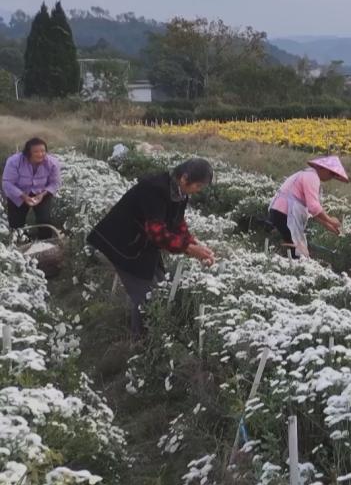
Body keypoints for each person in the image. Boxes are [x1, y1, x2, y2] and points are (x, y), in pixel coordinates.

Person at [88, 158, 217, 339]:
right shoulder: (154, 189)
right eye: (198, 186)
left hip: (143, 243)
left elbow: (177, 223)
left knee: (160, 285)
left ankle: (151, 333)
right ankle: (140, 341)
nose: (198, 191)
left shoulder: (179, 192)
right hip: (124, 243)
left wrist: (193, 243)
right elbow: (157, 232)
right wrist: (188, 248)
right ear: (184, 178)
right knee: (145, 296)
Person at [269, 156, 347, 258]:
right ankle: (294, 270)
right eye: (331, 173)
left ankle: (289, 267)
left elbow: (313, 211)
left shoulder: (306, 174)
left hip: (280, 211)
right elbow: (313, 207)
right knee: (299, 252)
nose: (331, 177)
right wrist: (331, 220)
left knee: (296, 249)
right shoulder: (312, 177)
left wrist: (328, 225)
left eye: (334, 175)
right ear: (321, 168)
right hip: (286, 213)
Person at [3, 137, 62, 239]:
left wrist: (42, 194)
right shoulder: (14, 161)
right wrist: (23, 196)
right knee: (16, 223)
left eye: (43, 151)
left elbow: (55, 183)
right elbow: (7, 183)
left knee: (44, 219)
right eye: (36, 152)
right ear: (27, 153)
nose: (40, 154)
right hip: (18, 193)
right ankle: (20, 243)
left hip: (42, 192)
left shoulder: (52, 163)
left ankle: (45, 242)